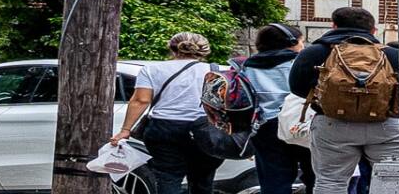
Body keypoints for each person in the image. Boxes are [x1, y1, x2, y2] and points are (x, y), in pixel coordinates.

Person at [288, 6, 399, 194]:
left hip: (332, 124)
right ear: (373, 30)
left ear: (334, 26)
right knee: (392, 182)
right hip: (384, 125)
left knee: (330, 181)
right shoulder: (392, 55)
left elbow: (296, 86)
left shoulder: (315, 52)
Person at [112, 32, 222, 194]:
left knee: (167, 177)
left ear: (172, 48)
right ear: (203, 50)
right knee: (203, 178)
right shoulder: (215, 71)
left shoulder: (152, 69)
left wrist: (125, 130)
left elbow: (141, 100)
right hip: (205, 129)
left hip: (164, 129)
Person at [241, 22, 313, 194]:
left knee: (273, 179)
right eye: (301, 42)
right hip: (300, 122)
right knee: (314, 175)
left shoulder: (247, 66)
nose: (303, 46)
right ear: (291, 42)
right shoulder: (301, 62)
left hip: (265, 126)